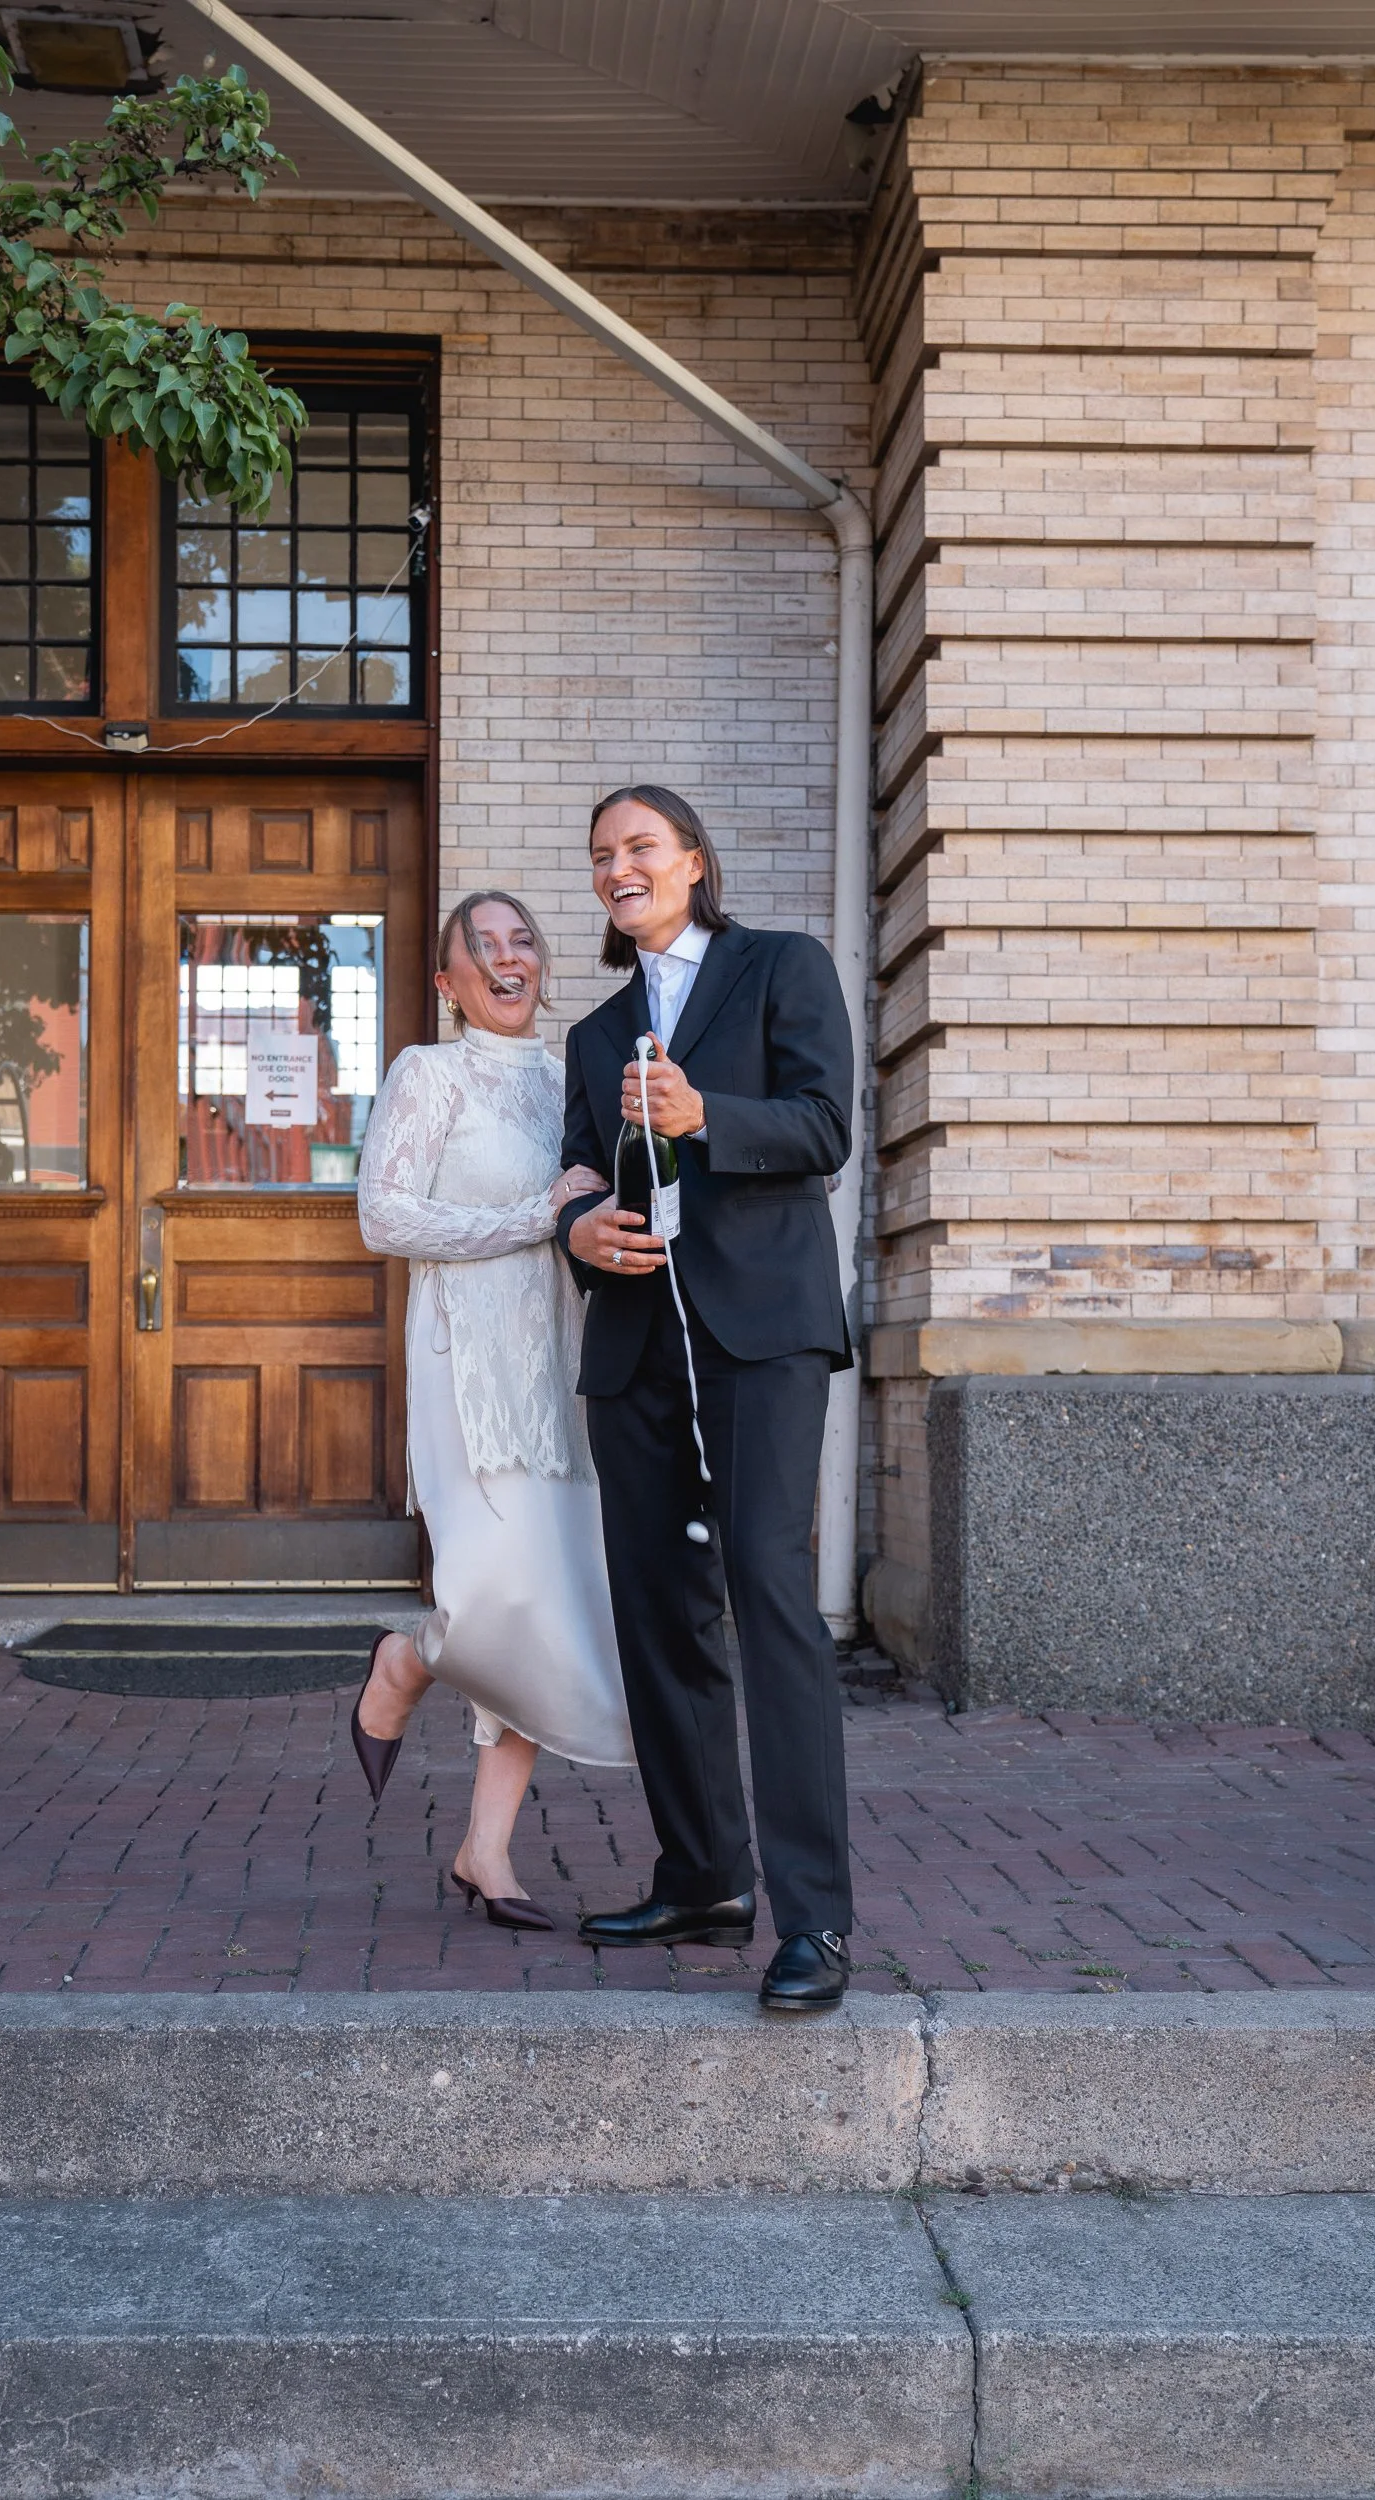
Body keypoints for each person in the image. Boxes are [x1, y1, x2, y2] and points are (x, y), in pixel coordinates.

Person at [557, 786, 857, 2012]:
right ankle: (701, 1877)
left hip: (761, 1333)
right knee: (657, 1615)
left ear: (690, 860)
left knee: (767, 1594)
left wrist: (703, 1115)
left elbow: (823, 1124)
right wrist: (575, 1225)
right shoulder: (593, 1034)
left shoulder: (783, 968)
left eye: (636, 847)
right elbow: (575, 1162)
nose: (616, 868)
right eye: (598, 857)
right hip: (634, 1345)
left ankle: (815, 1922)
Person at [353, 890, 632, 1930]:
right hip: (464, 1366)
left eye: (522, 942)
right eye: (484, 946)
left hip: (557, 1367)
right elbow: (382, 1214)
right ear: (447, 981)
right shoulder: (428, 1073)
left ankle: (485, 1848)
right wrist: (538, 1213)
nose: (507, 959)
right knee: (487, 1589)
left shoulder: (575, 1078)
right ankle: (407, 1659)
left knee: (545, 1599)